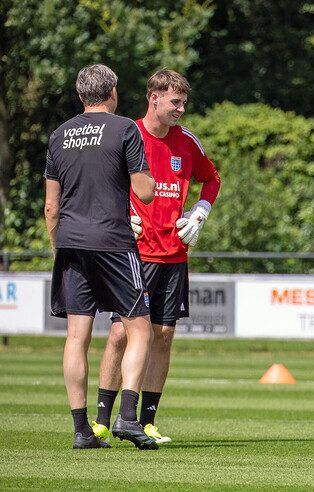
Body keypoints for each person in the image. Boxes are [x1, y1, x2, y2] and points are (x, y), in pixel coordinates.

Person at [91, 69, 221, 445]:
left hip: (174, 254)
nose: (181, 108)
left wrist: (200, 212)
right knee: (120, 333)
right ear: (154, 98)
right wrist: (120, 214)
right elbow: (99, 180)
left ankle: (146, 421)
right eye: (175, 102)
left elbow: (212, 179)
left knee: (163, 336)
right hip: (132, 252)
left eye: (184, 102)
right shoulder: (125, 134)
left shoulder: (187, 142)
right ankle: (102, 419)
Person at [44, 64, 158, 450]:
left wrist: (59, 248)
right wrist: (152, 180)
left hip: (72, 243)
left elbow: (50, 208)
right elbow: (144, 193)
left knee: (77, 337)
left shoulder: (60, 134)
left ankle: (81, 431)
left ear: (81, 95)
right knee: (140, 327)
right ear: (112, 91)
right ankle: (128, 416)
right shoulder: (125, 128)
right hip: (112, 240)